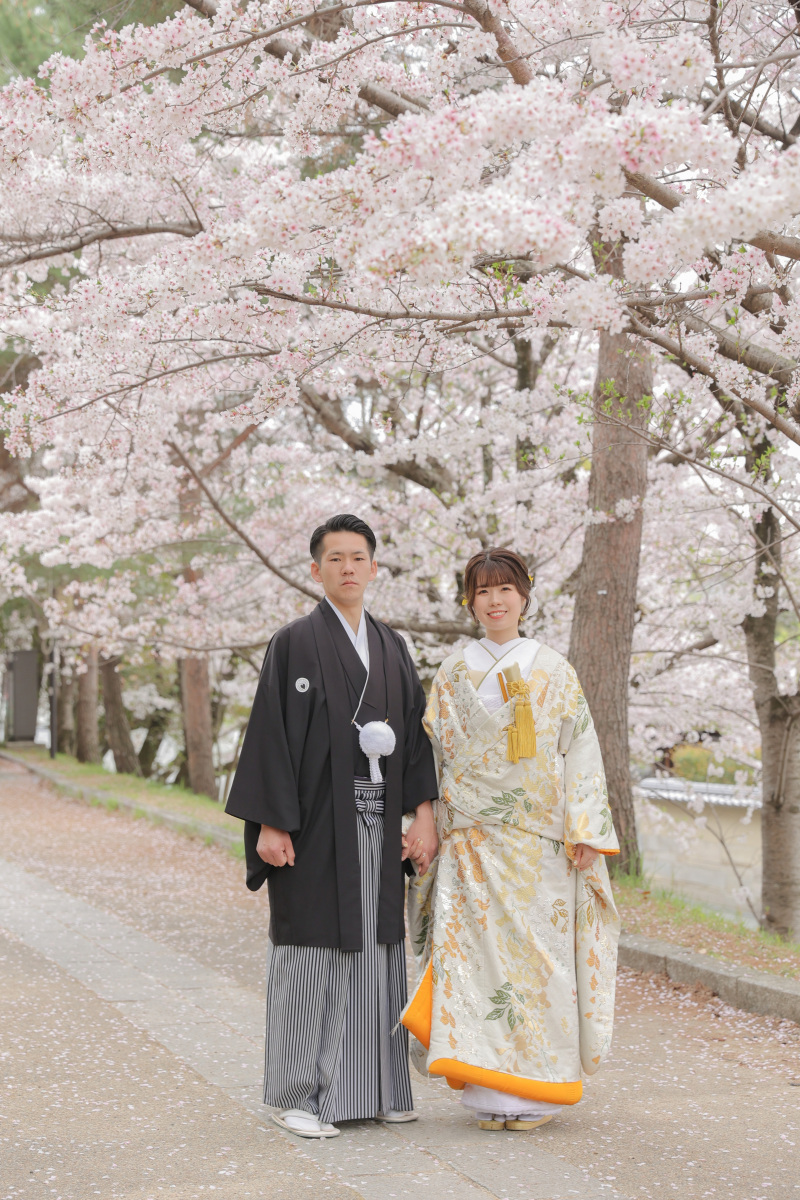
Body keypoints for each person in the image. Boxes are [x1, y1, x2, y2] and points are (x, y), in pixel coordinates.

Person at [225, 514, 438, 1139]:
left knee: (378, 951)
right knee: (309, 948)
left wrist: (423, 815)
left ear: (375, 568)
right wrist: (270, 822)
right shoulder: (294, 641)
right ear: (315, 570)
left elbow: (419, 740)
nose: (349, 567)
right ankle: (297, 1093)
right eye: (335, 558)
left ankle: (377, 1087)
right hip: (315, 825)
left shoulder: (393, 646)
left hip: (377, 826)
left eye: (359, 557)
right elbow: (270, 733)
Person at [403, 548, 620, 1131]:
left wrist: (586, 828)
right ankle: (490, 1091)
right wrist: (426, 816)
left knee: (538, 962)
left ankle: (540, 1089)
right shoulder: (451, 672)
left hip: (539, 841)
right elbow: (431, 754)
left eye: (505, 590)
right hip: (471, 839)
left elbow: (581, 749)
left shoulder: (554, 668)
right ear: (469, 601)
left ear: (525, 595)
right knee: (474, 963)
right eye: (482, 591)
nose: (494, 601)